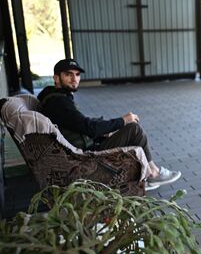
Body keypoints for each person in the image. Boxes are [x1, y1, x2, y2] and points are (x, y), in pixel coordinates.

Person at [37, 58, 182, 191]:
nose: (74, 79)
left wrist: (106, 131)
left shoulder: (55, 98)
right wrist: (122, 120)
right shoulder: (59, 102)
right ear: (56, 78)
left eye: (77, 74)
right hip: (83, 155)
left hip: (80, 146)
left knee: (126, 128)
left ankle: (149, 172)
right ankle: (153, 174)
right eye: (68, 74)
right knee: (133, 129)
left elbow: (79, 124)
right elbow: (89, 128)